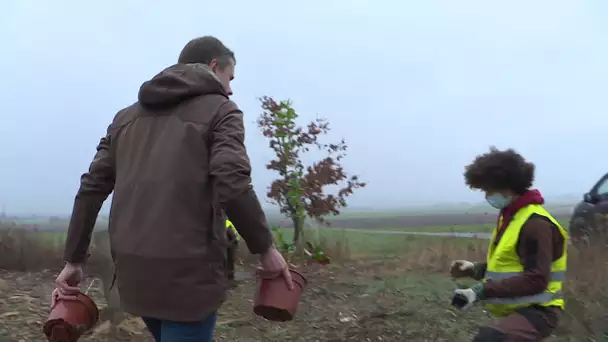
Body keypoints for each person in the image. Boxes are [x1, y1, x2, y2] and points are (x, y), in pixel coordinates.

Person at [53, 36, 293, 342]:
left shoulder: (125, 119)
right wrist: (266, 250)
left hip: (133, 272)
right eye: (229, 78)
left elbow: (91, 189)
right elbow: (231, 184)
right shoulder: (221, 110)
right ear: (214, 66)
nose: (230, 88)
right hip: (189, 277)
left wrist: (73, 260)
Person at [450, 147, 567, 342]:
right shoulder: (512, 217)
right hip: (517, 308)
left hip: (540, 311)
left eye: (489, 189)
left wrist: (480, 291)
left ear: (508, 185)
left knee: (489, 339)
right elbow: (510, 267)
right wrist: (474, 269)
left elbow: (536, 279)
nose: (487, 195)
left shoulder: (535, 224)